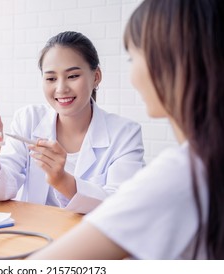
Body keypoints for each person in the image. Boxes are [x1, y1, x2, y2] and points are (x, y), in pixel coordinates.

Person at [28, 0, 224, 260]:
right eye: (51, 77)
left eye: (134, 58)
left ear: (171, 63)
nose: (61, 87)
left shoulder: (181, 175)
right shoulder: (206, 162)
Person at [0, 31, 145, 214]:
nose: (61, 88)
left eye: (73, 76)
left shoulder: (125, 134)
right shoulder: (29, 119)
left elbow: (120, 205)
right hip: (34, 234)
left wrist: (62, 180)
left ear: (96, 77)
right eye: (51, 78)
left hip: (90, 239)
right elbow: (3, 192)